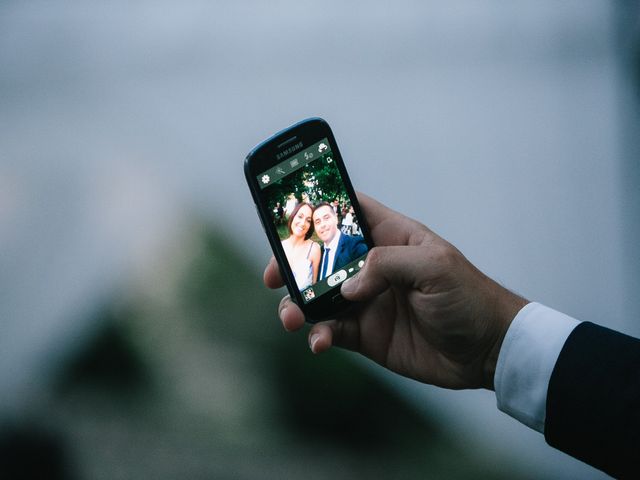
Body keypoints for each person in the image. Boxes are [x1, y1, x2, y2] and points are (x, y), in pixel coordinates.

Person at [264, 193, 639, 478]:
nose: (317, 222)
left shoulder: (351, 248)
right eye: (313, 218)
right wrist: (494, 342)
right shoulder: (309, 255)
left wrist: (495, 341)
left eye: (324, 215)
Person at [312, 202, 368, 281]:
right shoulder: (318, 254)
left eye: (326, 218)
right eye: (317, 222)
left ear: (336, 218)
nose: (322, 225)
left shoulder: (355, 245)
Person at [281, 202, 321, 291]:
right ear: (293, 216)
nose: (303, 223)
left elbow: (315, 285)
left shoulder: (314, 248)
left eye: (308, 220)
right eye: (300, 216)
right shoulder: (281, 246)